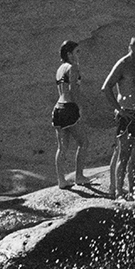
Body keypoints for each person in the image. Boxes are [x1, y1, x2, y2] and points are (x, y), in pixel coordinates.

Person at [101, 34, 135, 198]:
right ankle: (118, 193)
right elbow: (106, 87)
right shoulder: (123, 64)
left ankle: (132, 191)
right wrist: (119, 109)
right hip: (127, 114)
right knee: (124, 155)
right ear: (131, 47)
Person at [52, 40, 87, 189]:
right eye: (77, 52)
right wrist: (80, 108)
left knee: (62, 147)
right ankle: (79, 176)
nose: (79, 54)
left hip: (57, 109)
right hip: (68, 108)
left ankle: (61, 180)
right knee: (84, 143)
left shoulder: (60, 69)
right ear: (69, 54)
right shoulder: (73, 67)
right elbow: (74, 90)